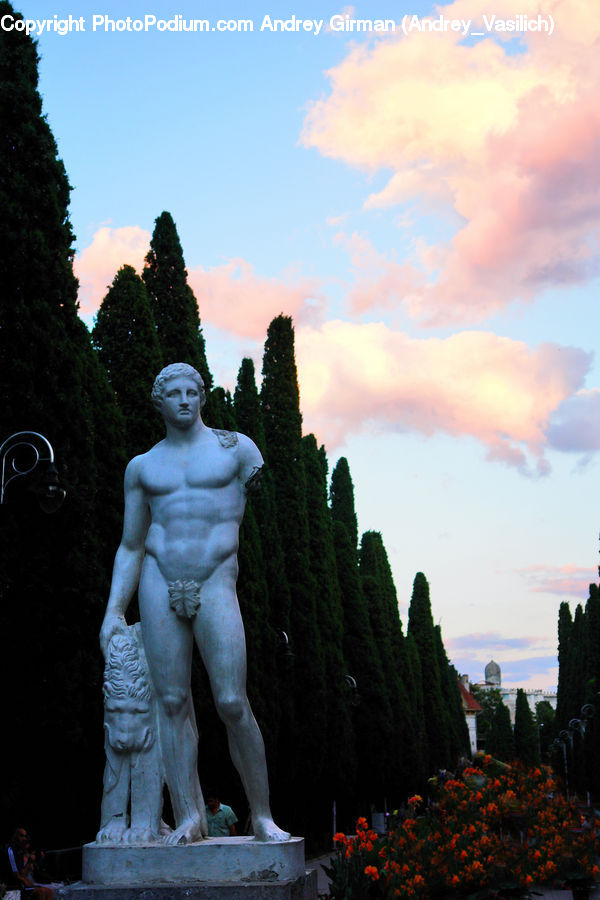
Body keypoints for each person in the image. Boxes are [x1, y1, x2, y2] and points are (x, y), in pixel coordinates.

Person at [100, 363, 290, 845]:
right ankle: (190, 816)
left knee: (230, 700)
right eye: (175, 394)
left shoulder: (238, 450)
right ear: (158, 403)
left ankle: (263, 815)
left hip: (214, 581)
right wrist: (113, 610)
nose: (185, 400)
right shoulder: (143, 467)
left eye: (193, 392)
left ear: (202, 398)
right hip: (159, 580)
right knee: (170, 701)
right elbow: (131, 545)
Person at [2, 828, 53, 898]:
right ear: (15, 837)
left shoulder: (20, 851)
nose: (24, 839)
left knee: (49, 891)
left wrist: (30, 863)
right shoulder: (10, 850)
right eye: (21, 836)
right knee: (41, 891)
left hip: (21, 884)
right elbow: (16, 875)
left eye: (25, 836)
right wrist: (28, 883)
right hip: (12, 886)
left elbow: (23, 874)